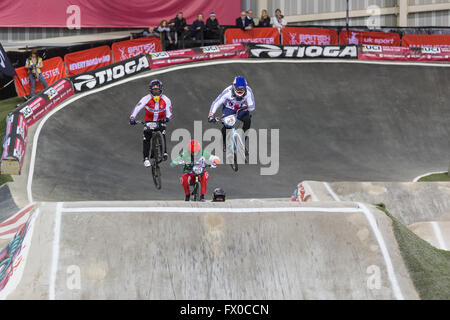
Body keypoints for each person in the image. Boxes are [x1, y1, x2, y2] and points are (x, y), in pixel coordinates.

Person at [129, 79, 172, 167]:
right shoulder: (146, 99)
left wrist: (167, 118)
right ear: (150, 91)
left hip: (160, 120)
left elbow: (169, 111)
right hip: (149, 121)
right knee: (146, 138)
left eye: (158, 90)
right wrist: (132, 117)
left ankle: (164, 152)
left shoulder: (166, 100)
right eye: (154, 90)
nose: (156, 92)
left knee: (163, 132)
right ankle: (146, 158)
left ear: (161, 90)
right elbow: (137, 108)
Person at [208, 76, 255, 152]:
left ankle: (242, 143)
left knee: (248, 121)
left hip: (241, 109)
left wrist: (247, 107)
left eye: (242, 89)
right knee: (227, 126)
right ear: (234, 86)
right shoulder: (227, 92)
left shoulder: (249, 91)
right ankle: (224, 142)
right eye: (238, 89)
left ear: (245, 87)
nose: (240, 91)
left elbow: (252, 106)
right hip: (229, 109)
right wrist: (211, 114)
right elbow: (217, 102)